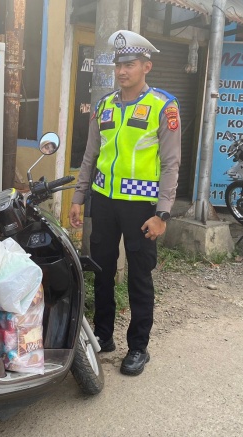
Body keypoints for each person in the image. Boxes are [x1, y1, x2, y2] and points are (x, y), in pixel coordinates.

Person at [68, 30, 181, 376]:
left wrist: (163, 213)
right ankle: (103, 336)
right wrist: (78, 197)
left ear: (146, 66)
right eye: (119, 64)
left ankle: (138, 348)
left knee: (139, 276)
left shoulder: (164, 106)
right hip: (102, 202)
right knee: (101, 272)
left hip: (141, 208)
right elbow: (90, 155)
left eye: (129, 64)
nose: (122, 71)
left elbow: (171, 163)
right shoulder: (104, 105)